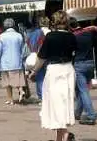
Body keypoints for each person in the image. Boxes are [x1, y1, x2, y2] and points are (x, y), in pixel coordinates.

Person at [31, 10, 76, 141]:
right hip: (68, 69)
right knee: (64, 102)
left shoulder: (50, 36)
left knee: (55, 103)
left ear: (54, 22)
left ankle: (65, 134)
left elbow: (42, 57)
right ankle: (60, 137)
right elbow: (74, 55)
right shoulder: (71, 36)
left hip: (55, 70)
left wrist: (34, 71)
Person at [70, 18, 97, 125]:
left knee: (83, 90)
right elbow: (96, 42)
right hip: (90, 63)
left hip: (79, 64)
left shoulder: (74, 37)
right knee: (80, 90)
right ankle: (77, 113)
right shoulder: (88, 33)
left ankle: (91, 115)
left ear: (70, 27)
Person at [0, 18, 26, 104]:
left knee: (7, 82)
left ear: (4, 26)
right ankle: (20, 90)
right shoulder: (19, 35)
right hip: (17, 61)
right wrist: (21, 59)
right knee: (16, 79)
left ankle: (10, 99)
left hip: (5, 62)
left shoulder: (1, 36)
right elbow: (23, 49)